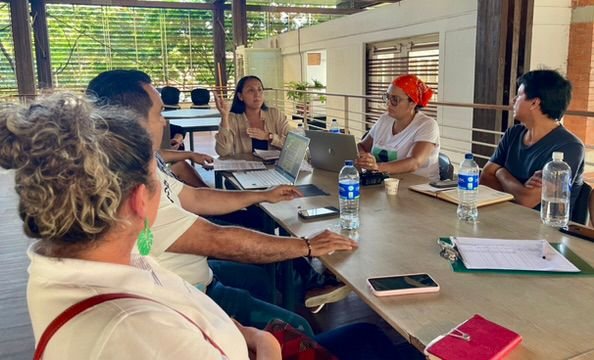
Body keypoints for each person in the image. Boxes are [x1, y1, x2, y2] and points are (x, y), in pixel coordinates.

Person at [2, 93, 279, 358]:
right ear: (138, 199)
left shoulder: (108, 257)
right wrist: (268, 346)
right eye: (157, 178)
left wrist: (217, 323)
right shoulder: (137, 329)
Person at [87, 70, 357, 334]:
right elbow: (215, 238)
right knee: (297, 327)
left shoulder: (139, 166)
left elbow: (195, 196)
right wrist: (306, 245)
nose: (165, 122)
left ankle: (296, 298)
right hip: (183, 296)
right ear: (131, 122)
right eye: (159, 114)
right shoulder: (127, 191)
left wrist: (261, 194)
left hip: (195, 272)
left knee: (265, 279)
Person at [480, 69, 585, 210]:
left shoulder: (569, 146)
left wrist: (500, 172)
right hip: (504, 215)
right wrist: (520, 188)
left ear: (534, 103)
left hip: (544, 228)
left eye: (518, 96)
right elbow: (485, 179)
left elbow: (526, 200)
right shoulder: (513, 133)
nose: (513, 100)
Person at [356, 74, 440, 181]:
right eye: (388, 98)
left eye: (395, 100)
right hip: (383, 183)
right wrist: (364, 158)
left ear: (412, 103)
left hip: (419, 187)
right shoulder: (385, 119)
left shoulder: (427, 125)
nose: (389, 104)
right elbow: (362, 146)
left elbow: (415, 162)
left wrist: (377, 167)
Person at [214, 75, 290, 157]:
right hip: (244, 168)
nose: (257, 94)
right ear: (240, 96)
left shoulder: (275, 115)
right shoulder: (232, 118)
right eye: (251, 90)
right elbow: (223, 151)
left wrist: (269, 136)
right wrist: (224, 116)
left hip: (273, 168)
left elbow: (292, 145)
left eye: (260, 89)